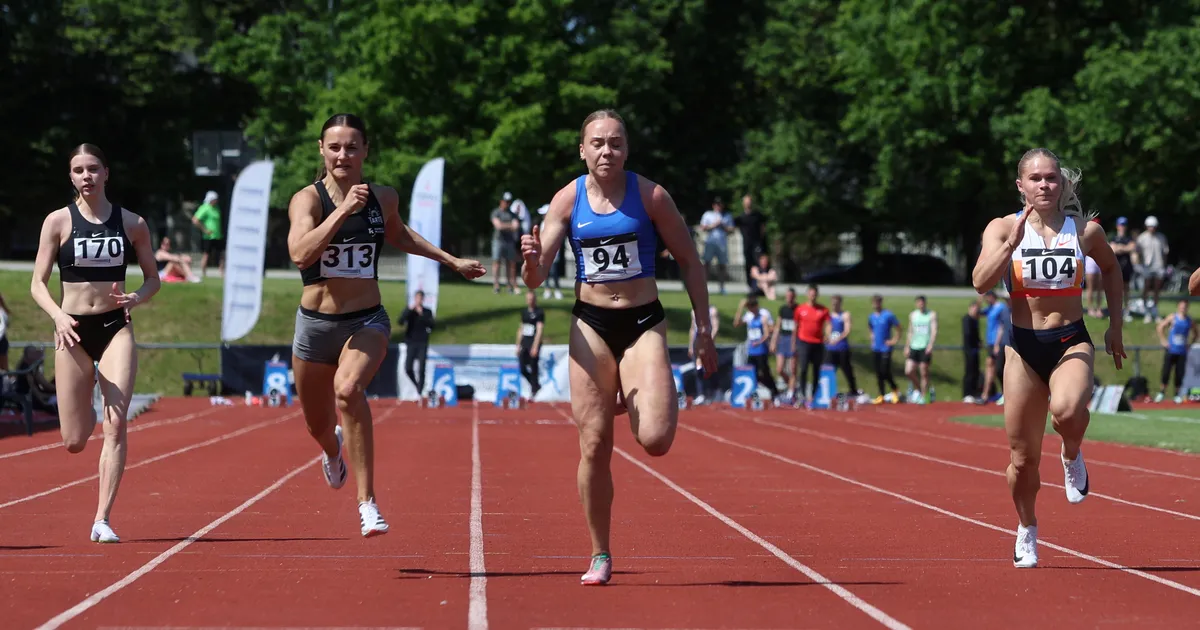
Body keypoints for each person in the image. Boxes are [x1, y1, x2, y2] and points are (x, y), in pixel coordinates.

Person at [519, 109, 716, 586]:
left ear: (626, 149)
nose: (607, 151)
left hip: (643, 322)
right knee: (593, 444)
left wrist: (703, 325)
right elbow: (536, 274)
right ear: (582, 149)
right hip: (591, 325)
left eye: (616, 143)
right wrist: (527, 262)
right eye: (598, 143)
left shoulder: (651, 197)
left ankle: (637, 388)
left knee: (655, 440)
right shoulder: (566, 200)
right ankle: (600, 553)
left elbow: (689, 260)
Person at [286, 113, 484, 537]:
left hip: (366, 320)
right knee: (317, 426)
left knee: (348, 389)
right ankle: (333, 450)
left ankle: (367, 502)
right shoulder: (307, 200)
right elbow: (301, 254)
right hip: (315, 326)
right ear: (321, 150)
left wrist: (451, 261)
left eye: (352, 147)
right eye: (335, 147)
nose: (343, 155)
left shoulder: (383, 197)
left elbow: (400, 235)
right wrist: (342, 211)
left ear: (365, 151)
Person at [971, 147, 1125, 569]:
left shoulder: (1084, 231)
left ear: (1063, 184)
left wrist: (1115, 325)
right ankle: (1027, 528)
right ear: (1021, 185)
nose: (1044, 185)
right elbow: (981, 283)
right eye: (1035, 178)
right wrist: (1010, 247)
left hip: (1070, 340)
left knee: (1068, 408)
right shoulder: (1002, 227)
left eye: (1052, 178)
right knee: (1022, 461)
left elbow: (1111, 269)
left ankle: (1072, 452)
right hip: (1022, 349)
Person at [29, 143, 161, 543]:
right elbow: (37, 283)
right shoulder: (57, 222)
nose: (86, 176)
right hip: (71, 331)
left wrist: (137, 296)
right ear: (70, 177)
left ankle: (102, 518)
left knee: (116, 424)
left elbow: (153, 277)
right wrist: (57, 315)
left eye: (92, 169)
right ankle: (86, 400)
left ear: (106, 173)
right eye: (78, 170)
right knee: (73, 441)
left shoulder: (132, 223)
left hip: (115, 326)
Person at [733, 294, 780, 404]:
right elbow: (736, 323)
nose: (750, 310)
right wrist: (740, 308)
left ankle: (775, 392)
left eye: (751, 307)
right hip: (751, 349)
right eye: (748, 307)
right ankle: (754, 394)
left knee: (765, 372)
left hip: (761, 349)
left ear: (756, 306)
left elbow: (770, 329)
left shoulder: (764, 315)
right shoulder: (749, 315)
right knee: (751, 373)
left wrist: (761, 340)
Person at [793, 284, 830, 406]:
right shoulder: (800, 309)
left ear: (817, 295)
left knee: (816, 370)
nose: (812, 297)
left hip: (818, 343)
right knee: (803, 369)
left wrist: (827, 335)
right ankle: (802, 394)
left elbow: (828, 324)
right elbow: (796, 326)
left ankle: (813, 395)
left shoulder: (823, 310)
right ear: (807, 294)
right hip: (804, 342)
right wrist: (794, 343)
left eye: (814, 295)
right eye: (811, 294)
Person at [1155, 300, 1196, 403]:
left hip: (1182, 352)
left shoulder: (1189, 320)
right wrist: (1163, 341)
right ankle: (1162, 392)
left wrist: (1190, 343)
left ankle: (1177, 395)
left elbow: (1196, 332)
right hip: (1171, 349)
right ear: (1178, 307)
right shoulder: (1173, 317)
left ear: (1187, 308)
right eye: (1181, 306)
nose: (1183, 308)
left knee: (1179, 374)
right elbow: (1160, 327)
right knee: (1166, 372)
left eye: (1185, 307)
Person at [398, 290, 435, 396]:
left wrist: (421, 314)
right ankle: (417, 385)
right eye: (417, 298)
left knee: (421, 367)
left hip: (422, 342)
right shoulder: (410, 311)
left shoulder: (427, 312)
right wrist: (409, 310)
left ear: (423, 299)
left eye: (420, 298)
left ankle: (420, 391)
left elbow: (431, 325)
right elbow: (400, 321)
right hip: (411, 342)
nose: (418, 300)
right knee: (408, 367)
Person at [867, 295, 901, 404]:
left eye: (878, 302)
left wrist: (894, 340)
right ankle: (881, 394)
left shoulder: (888, 315)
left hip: (885, 347)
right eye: (874, 302)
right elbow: (870, 328)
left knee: (885, 370)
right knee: (878, 372)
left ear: (881, 303)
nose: (876, 304)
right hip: (876, 347)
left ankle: (895, 389)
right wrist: (872, 338)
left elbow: (898, 327)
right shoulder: (871, 317)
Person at [903, 296, 937, 404]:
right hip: (914, 346)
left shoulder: (931, 315)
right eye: (918, 303)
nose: (921, 304)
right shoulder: (913, 315)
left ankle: (924, 395)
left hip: (924, 347)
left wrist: (930, 345)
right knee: (908, 371)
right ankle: (919, 389)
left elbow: (934, 330)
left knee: (923, 372)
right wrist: (907, 346)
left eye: (922, 302)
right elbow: (910, 331)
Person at [825, 295, 859, 399]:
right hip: (831, 347)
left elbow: (847, 330)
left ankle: (853, 390)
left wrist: (838, 339)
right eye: (833, 303)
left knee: (847, 369)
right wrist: (829, 338)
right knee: (829, 369)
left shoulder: (845, 315)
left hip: (842, 347)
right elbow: (828, 328)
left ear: (840, 303)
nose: (834, 305)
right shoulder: (829, 315)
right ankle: (829, 391)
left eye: (836, 303)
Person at [515, 290, 545, 398]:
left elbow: (540, 329)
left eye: (532, 299)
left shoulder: (539, 312)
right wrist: (518, 345)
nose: (530, 301)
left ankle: (534, 389)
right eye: (528, 299)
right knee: (522, 367)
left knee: (533, 366)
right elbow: (521, 328)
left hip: (534, 342)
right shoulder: (524, 312)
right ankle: (535, 385)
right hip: (525, 342)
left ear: (535, 300)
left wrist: (535, 346)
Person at [771, 287, 798, 403]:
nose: (790, 299)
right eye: (788, 296)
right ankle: (792, 385)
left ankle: (791, 392)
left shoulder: (798, 309)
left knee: (792, 369)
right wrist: (773, 341)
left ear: (794, 297)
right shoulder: (782, 309)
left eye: (791, 296)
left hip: (794, 339)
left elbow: (798, 327)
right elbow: (778, 326)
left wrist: (795, 341)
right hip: (783, 339)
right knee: (779, 369)